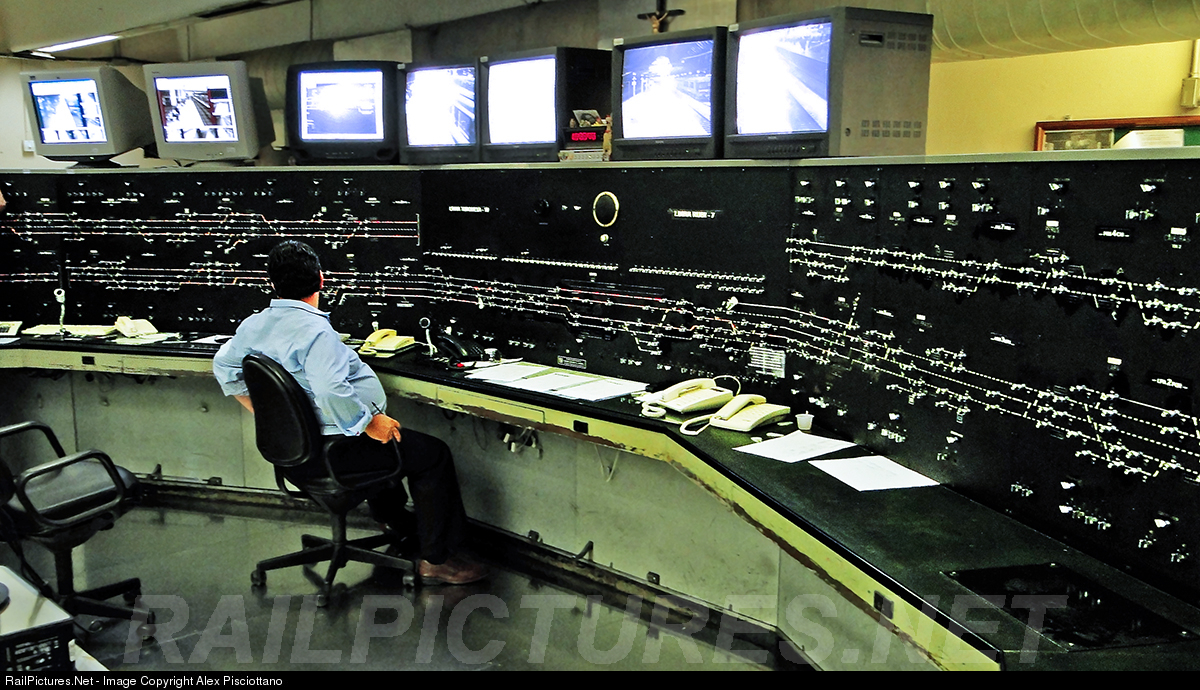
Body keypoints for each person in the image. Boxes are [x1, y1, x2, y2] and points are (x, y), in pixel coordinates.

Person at [213, 240, 486, 585]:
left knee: (394, 448)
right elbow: (330, 389)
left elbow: (223, 366)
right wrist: (368, 422)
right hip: (334, 454)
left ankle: (396, 525)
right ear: (321, 280)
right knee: (433, 455)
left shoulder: (254, 326)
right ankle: (437, 559)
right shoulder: (315, 333)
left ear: (272, 284)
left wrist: (273, 419)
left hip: (293, 456)